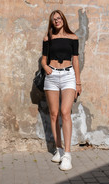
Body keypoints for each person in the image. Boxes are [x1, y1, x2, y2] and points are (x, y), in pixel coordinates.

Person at [41, 10, 82, 171]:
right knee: (54, 114)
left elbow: (76, 60)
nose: (56, 21)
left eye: (58, 18)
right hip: (51, 76)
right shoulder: (48, 39)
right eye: (53, 20)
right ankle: (58, 149)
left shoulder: (73, 38)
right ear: (52, 23)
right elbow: (44, 59)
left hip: (68, 76)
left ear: (63, 19)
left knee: (65, 112)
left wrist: (78, 82)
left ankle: (67, 154)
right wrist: (45, 67)